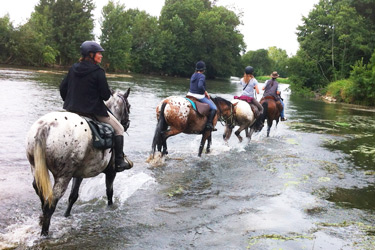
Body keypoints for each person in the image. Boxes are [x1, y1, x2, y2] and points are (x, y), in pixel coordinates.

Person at [60, 41, 131, 172]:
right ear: (91, 55)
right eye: (99, 53)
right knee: (120, 129)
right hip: (93, 111)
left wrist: (70, 102)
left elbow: (62, 88)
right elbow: (105, 96)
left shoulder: (73, 68)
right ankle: (119, 161)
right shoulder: (98, 72)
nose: (101, 56)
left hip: (71, 110)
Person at [187, 61, 217, 131]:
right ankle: (209, 124)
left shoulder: (193, 75)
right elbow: (200, 86)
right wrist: (205, 92)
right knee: (214, 108)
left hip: (189, 94)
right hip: (199, 96)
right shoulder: (202, 76)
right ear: (203, 69)